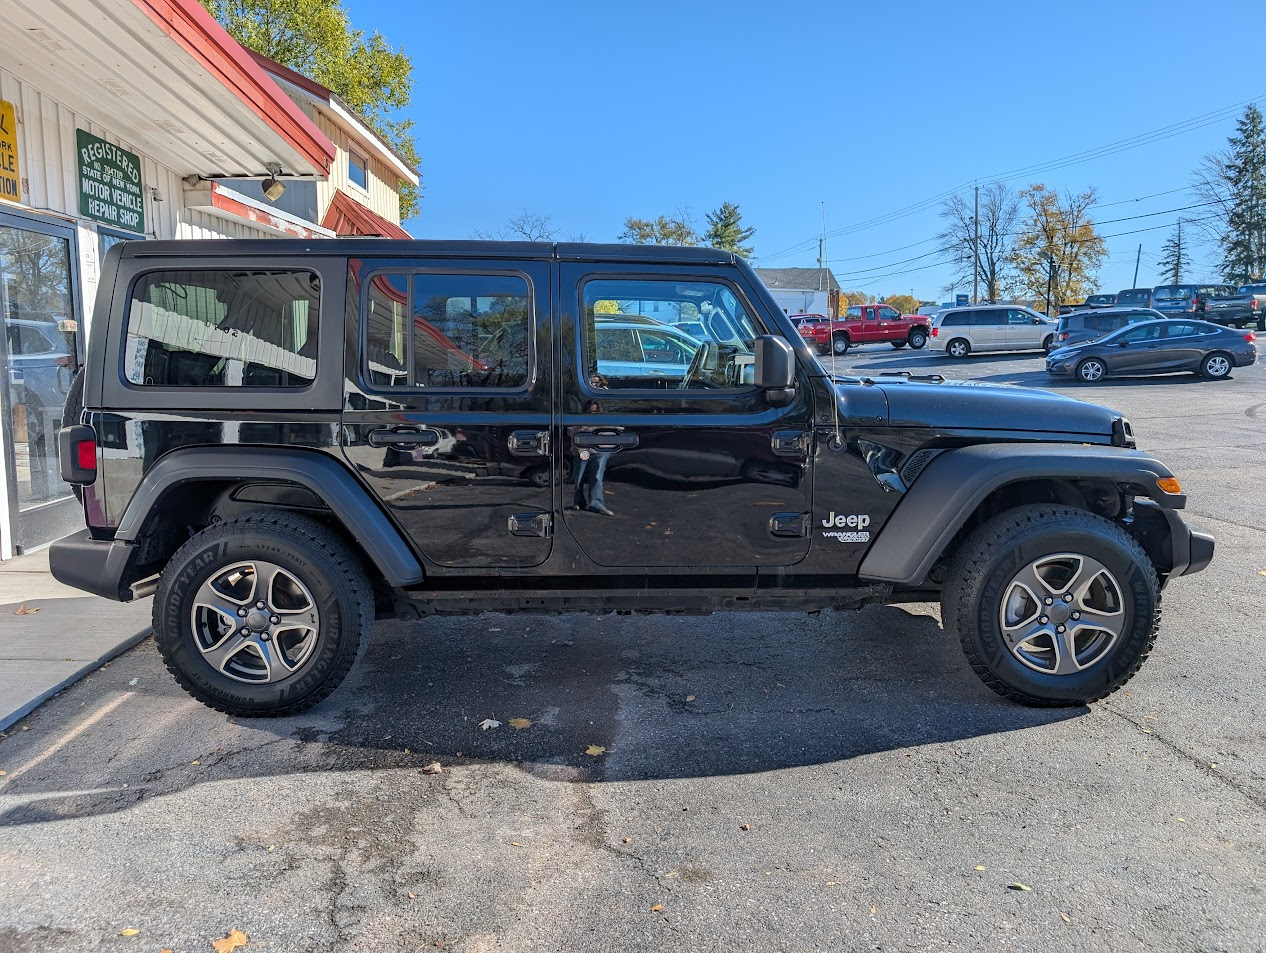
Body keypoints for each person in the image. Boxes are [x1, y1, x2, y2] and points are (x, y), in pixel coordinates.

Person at [573, 375, 614, 516]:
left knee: (596, 476)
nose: (594, 385)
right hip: (583, 449)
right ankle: (578, 501)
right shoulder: (581, 396)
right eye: (592, 382)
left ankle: (596, 504)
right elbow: (573, 429)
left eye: (597, 382)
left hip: (600, 449)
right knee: (579, 477)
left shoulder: (606, 397)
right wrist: (578, 448)